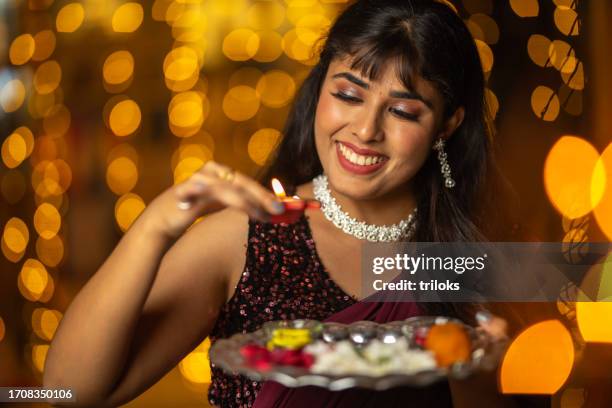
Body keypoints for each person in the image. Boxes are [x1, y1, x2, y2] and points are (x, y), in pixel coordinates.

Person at [44, 0, 517, 407]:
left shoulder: (466, 262)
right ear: (320, 90)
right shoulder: (246, 239)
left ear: (447, 125)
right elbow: (69, 392)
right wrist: (157, 225)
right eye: (348, 94)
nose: (366, 129)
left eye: (401, 111)